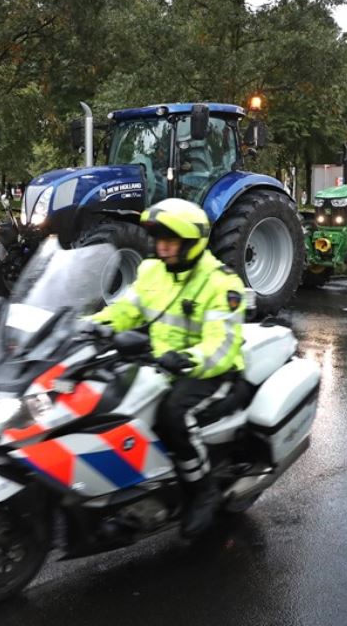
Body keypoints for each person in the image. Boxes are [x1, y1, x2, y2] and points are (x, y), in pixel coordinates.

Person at [83, 198, 247, 538]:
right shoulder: (152, 270)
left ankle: (203, 491)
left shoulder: (221, 283)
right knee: (112, 404)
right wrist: (87, 326)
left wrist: (189, 360)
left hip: (210, 372)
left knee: (174, 414)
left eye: (170, 241)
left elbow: (222, 346)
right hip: (162, 364)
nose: (162, 247)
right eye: (159, 240)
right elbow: (127, 309)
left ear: (191, 243)